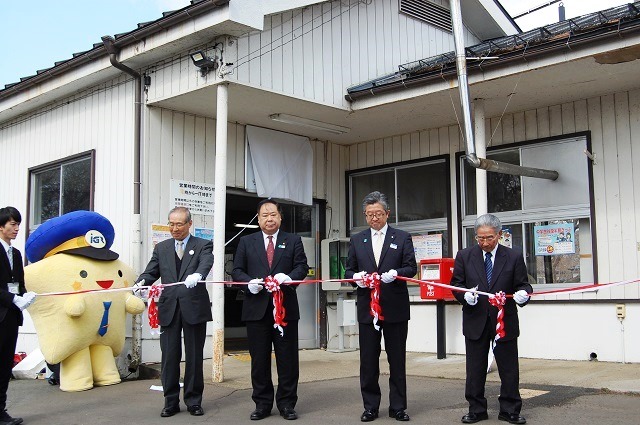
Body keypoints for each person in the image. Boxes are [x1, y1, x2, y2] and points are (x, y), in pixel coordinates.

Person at [451, 214, 533, 425]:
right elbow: (456, 285)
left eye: (489, 238)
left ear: (499, 234)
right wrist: (464, 296)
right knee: (475, 368)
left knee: (508, 368)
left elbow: (523, 285)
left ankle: (510, 409)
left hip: (504, 321)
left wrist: (524, 295)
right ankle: (476, 409)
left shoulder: (513, 257)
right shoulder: (464, 256)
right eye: (480, 238)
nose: (485, 243)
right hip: (475, 320)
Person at [232, 199, 309, 421]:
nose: (269, 218)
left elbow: (301, 267)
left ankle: (287, 404)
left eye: (273, 214)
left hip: (285, 310)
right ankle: (262, 404)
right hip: (256, 310)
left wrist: (290, 278)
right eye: (264, 215)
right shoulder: (247, 242)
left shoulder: (293, 240)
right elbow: (237, 270)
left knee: (287, 358)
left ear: (280, 217)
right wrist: (249, 283)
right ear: (258, 219)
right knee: (259, 360)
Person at [344, 191, 417, 422]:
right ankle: (370, 407)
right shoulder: (357, 239)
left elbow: (411, 268)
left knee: (397, 359)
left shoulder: (402, 237)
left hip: (394, 307)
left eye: (378, 213)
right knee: (368, 360)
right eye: (369, 214)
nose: (374, 218)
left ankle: (398, 407)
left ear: (387, 213)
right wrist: (357, 277)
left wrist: (396, 274)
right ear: (364, 216)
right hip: (368, 308)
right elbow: (348, 272)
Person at [135, 207, 213, 418]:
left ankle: (194, 401)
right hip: (169, 308)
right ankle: (170, 401)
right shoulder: (162, 248)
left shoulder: (202, 245)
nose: (174, 228)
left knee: (195, 356)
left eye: (179, 224)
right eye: (171, 223)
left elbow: (206, 262)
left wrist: (198, 274)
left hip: (194, 308)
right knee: (169, 357)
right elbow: (151, 271)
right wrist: (141, 282)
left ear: (189, 224)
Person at [0, 207, 36, 425]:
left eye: (17, 224)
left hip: (11, 318)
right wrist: (12, 299)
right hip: (2, 311)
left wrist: (24, 297)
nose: (16, 228)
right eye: (12, 224)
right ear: (1, 226)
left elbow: (18, 285)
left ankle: (1, 410)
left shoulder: (15, 253)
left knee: (5, 365)